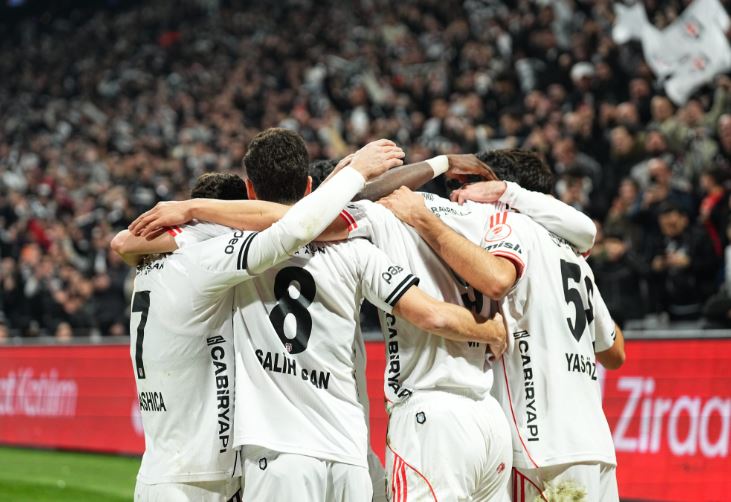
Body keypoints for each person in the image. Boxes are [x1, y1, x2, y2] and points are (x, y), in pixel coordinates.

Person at [130, 149, 602, 501]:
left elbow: (298, 224)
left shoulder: (374, 221)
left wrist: (192, 209)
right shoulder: (495, 223)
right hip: (477, 421)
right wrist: (489, 330)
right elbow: (580, 237)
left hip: (417, 419)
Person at [113, 135, 408, 502]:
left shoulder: (162, 261)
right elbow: (294, 225)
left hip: (166, 466)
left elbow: (122, 242)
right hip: (200, 478)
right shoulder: (211, 255)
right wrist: (355, 174)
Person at [379, 166, 625, 502]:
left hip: (542, 448)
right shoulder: (573, 255)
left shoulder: (507, 228)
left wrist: (423, 217)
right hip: (597, 446)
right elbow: (615, 353)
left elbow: (496, 279)